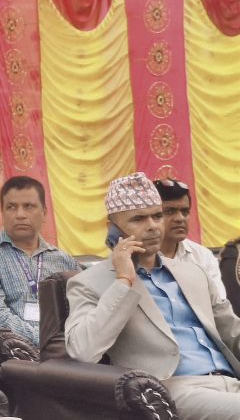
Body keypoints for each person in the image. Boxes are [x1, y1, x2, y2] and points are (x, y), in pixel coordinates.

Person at [65, 172, 240, 419]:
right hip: (172, 390)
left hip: (230, 381)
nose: (152, 226)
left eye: (157, 216)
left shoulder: (193, 273)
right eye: (138, 219)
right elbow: (83, 350)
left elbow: (232, 332)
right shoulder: (90, 282)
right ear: (112, 228)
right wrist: (123, 281)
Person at [0, 176, 80, 346]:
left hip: (65, 349)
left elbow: (83, 309)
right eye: (11, 207)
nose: (20, 215)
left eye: (28, 206)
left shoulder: (65, 261)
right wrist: (45, 340)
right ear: (2, 213)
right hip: (15, 351)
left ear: (44, 213)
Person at [154, 179, 227, 301]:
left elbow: (219, 304)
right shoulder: (137, 257)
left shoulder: (203, 257)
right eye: (169, 211)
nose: (180, 218)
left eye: (185, 212)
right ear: (151, 215)